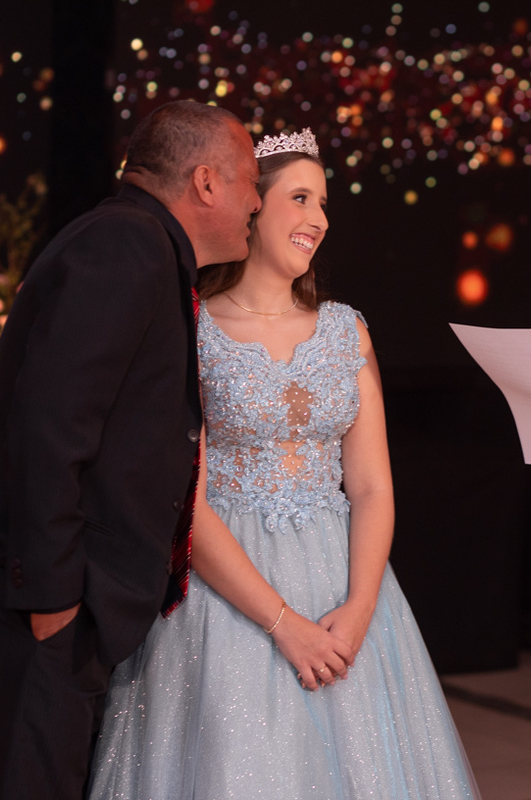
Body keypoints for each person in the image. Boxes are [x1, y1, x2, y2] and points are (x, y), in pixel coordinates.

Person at [87, 129, 480, 800]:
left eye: (324, 203)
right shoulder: (192, 329)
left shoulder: (346, 330)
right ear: (253, 204)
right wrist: (282, 624)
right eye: (300, 198)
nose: (318, 219)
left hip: (343, 585)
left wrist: (359, 608)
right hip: (223, 593)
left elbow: (372, 486)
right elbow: (184, 497)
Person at [0, 100, 262, 800]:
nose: (256, 202)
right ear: (205, 182)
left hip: (43, 603)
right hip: (27, 606)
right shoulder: (126, 246)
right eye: (252, 182)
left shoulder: (136, 243)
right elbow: (50, 424)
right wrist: (52, 599)